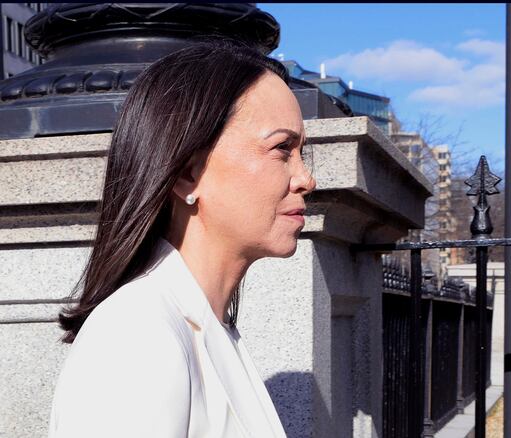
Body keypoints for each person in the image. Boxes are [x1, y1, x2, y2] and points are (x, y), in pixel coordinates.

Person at [47, 38, 316, 438]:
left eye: (301, 153)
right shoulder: (136, 335)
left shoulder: (203, 326)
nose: (307, 179)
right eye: (281, 149)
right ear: (189, 172)